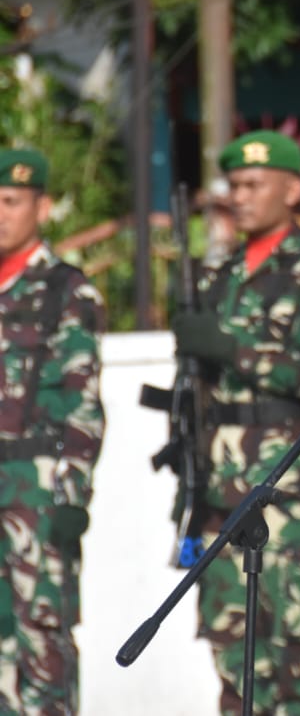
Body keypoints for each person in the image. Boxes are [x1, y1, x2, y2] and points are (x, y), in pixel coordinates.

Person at [173, 130, 300, 715]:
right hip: (219, 498)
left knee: (296, 666)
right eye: (236, 186)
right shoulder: (217, 277)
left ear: (292, 189)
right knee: (235, 667)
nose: (241, 197)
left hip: (286, 499)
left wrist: (226, 344)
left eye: (255, 185)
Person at [0, 148, 105, 714]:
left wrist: (72, 494)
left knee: (43, 643)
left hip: (37, 493)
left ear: (41, 205)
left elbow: (83, 405)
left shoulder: (68, 292)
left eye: (11, 201)